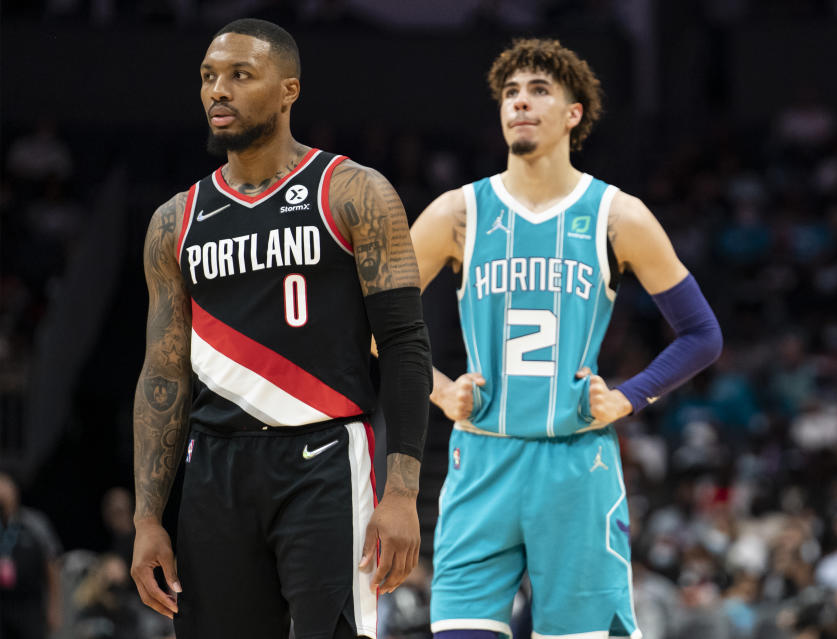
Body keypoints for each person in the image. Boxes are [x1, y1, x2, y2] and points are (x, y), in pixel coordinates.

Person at [130, 18, 432, 639]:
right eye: (210, 77)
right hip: (213, 468)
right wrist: (146, 517)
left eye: (241, 75)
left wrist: (402, 492)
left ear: (289, 89)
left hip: (324, 459)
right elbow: (163, 373)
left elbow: (405, 344)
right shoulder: (174, 220)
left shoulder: (354, 191)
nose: (219, 91)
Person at [411, 38, 723, 638]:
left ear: (573, 113)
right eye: (510, 93)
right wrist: (439, 390)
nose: (520, 104)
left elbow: (702, 335)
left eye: (538, 91)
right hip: (482, 459)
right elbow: (364, 323)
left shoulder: (616, 214)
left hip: (577, 464)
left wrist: (631, 396)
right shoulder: (458, 213)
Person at [0, 471, 63, 639]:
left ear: (15, 490)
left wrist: (54, 607)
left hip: (30, 606)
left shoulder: (35, 523)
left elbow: (52, 564)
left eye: (5, 485)